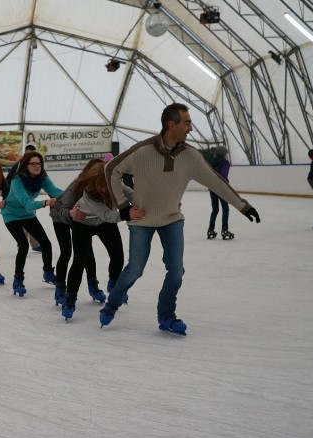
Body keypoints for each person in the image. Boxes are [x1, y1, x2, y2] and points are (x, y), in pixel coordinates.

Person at [100, 102, 261, 335]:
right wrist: (124, 208)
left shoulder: (191, 156)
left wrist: (243, 207)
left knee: (176, 271)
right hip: (142, 220)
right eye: (187, 123)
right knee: (135, 270)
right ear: (171, 124)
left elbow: (216, 181)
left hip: (172, 218)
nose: (191, 128)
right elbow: (111, 170)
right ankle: (112, 304)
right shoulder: (143, 151)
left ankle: (166, 315)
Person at [61, 162, 130, 321]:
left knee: (118, 255)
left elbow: (129, 193)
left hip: (105, 222)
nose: (103, 188)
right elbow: (62, 208)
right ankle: (70, 299)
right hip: (82, 223)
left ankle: (113, 283)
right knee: (80, 260)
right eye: (99, 183)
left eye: (105, 183)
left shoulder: (113, 182)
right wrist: (70, 213)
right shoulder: (79, 186)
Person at [1, 151, 64, 296]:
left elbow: (56, 191)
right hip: (11, 214)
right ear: (26, 166)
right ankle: (18, 279)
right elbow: (27, 203)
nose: (37, 167)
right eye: (33, 164)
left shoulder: (42, 179)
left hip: (27, 215)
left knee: (46, 243)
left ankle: (48, 272)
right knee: (23, 245)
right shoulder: (17, 180)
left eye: (39, 164)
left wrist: (75, 194)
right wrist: (45, 202)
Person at [50, 158, 106, 306]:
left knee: (86, 251)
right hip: (61, 216)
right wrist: (71, 214)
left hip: (78, 219)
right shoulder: (76, 185)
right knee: (66, 252)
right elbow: (63, 208)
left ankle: (93, 285)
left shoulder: (99, 186)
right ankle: (60, 288)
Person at [206, 146, 233, 240]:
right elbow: (223, 176)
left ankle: (210, 229)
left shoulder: (211, 162)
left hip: (212, 187)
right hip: (221, 188)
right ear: (224, 153)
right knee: (225, 209)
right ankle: (224, 230)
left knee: (215, 209)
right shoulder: (225, 162)